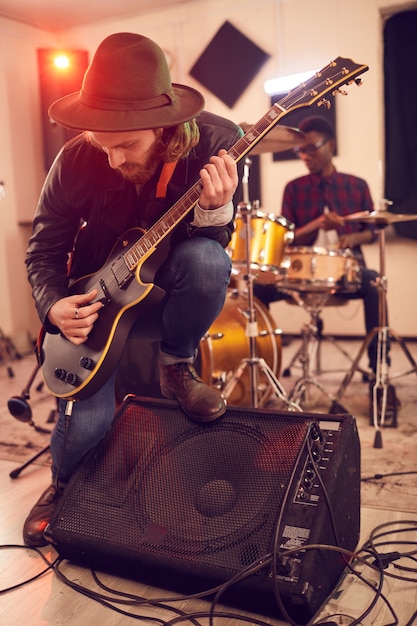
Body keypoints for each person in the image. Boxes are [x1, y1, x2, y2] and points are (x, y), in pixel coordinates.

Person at [23, 32, 242, 547]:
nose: (113, 159)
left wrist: (214, 209)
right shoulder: (77, 158)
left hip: (168, 294)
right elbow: (43, 251)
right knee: (84, 424)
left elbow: (213, 245)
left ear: (165, 128)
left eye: (127, 145)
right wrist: (54, 305)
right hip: (98, 304)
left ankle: (176, 367)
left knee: (209, 262)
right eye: (104, 143)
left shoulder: (216, 143)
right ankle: (63, 488)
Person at [254, 115, 388, 379]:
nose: (305, 156)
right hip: (300, 275)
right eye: (300, 150)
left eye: (312, 148)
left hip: (345, 274)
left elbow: (373, 231)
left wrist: (353, 239)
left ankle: (378, 370)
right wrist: (316, 224)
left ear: (331, 145)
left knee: (374, 283)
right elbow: (287, 238)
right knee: (257, 288)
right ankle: (264, 368)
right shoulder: (293, 189)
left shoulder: (356, 186)